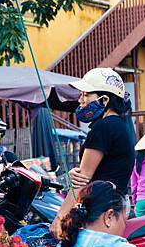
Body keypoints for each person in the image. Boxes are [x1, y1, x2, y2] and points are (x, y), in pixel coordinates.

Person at [51, 68, 135, 237]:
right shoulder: (120, 125)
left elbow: (83, 179)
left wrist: (60, 218)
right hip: (115, 208)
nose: (80, 100)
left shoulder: (104, 127)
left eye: (86, 95)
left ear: (104, 100)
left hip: (101, 212)